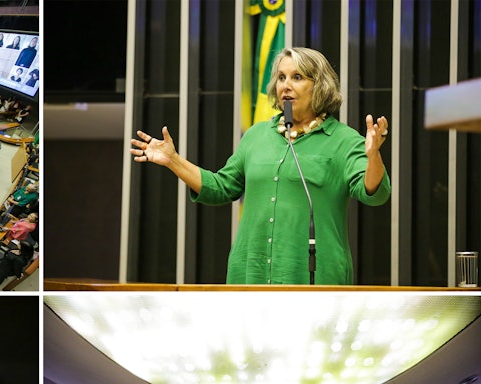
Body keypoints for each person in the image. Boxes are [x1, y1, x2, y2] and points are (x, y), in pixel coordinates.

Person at [131, 46, 390, 284]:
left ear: (320, 86)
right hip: (249, 275)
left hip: (313, 277)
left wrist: (373, 155)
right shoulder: (256, 136)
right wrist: (173, 161)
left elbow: (373, 193)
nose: (286, 85)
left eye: (297, 77)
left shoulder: (343, 140)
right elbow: (221, 187)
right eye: (281, 77)